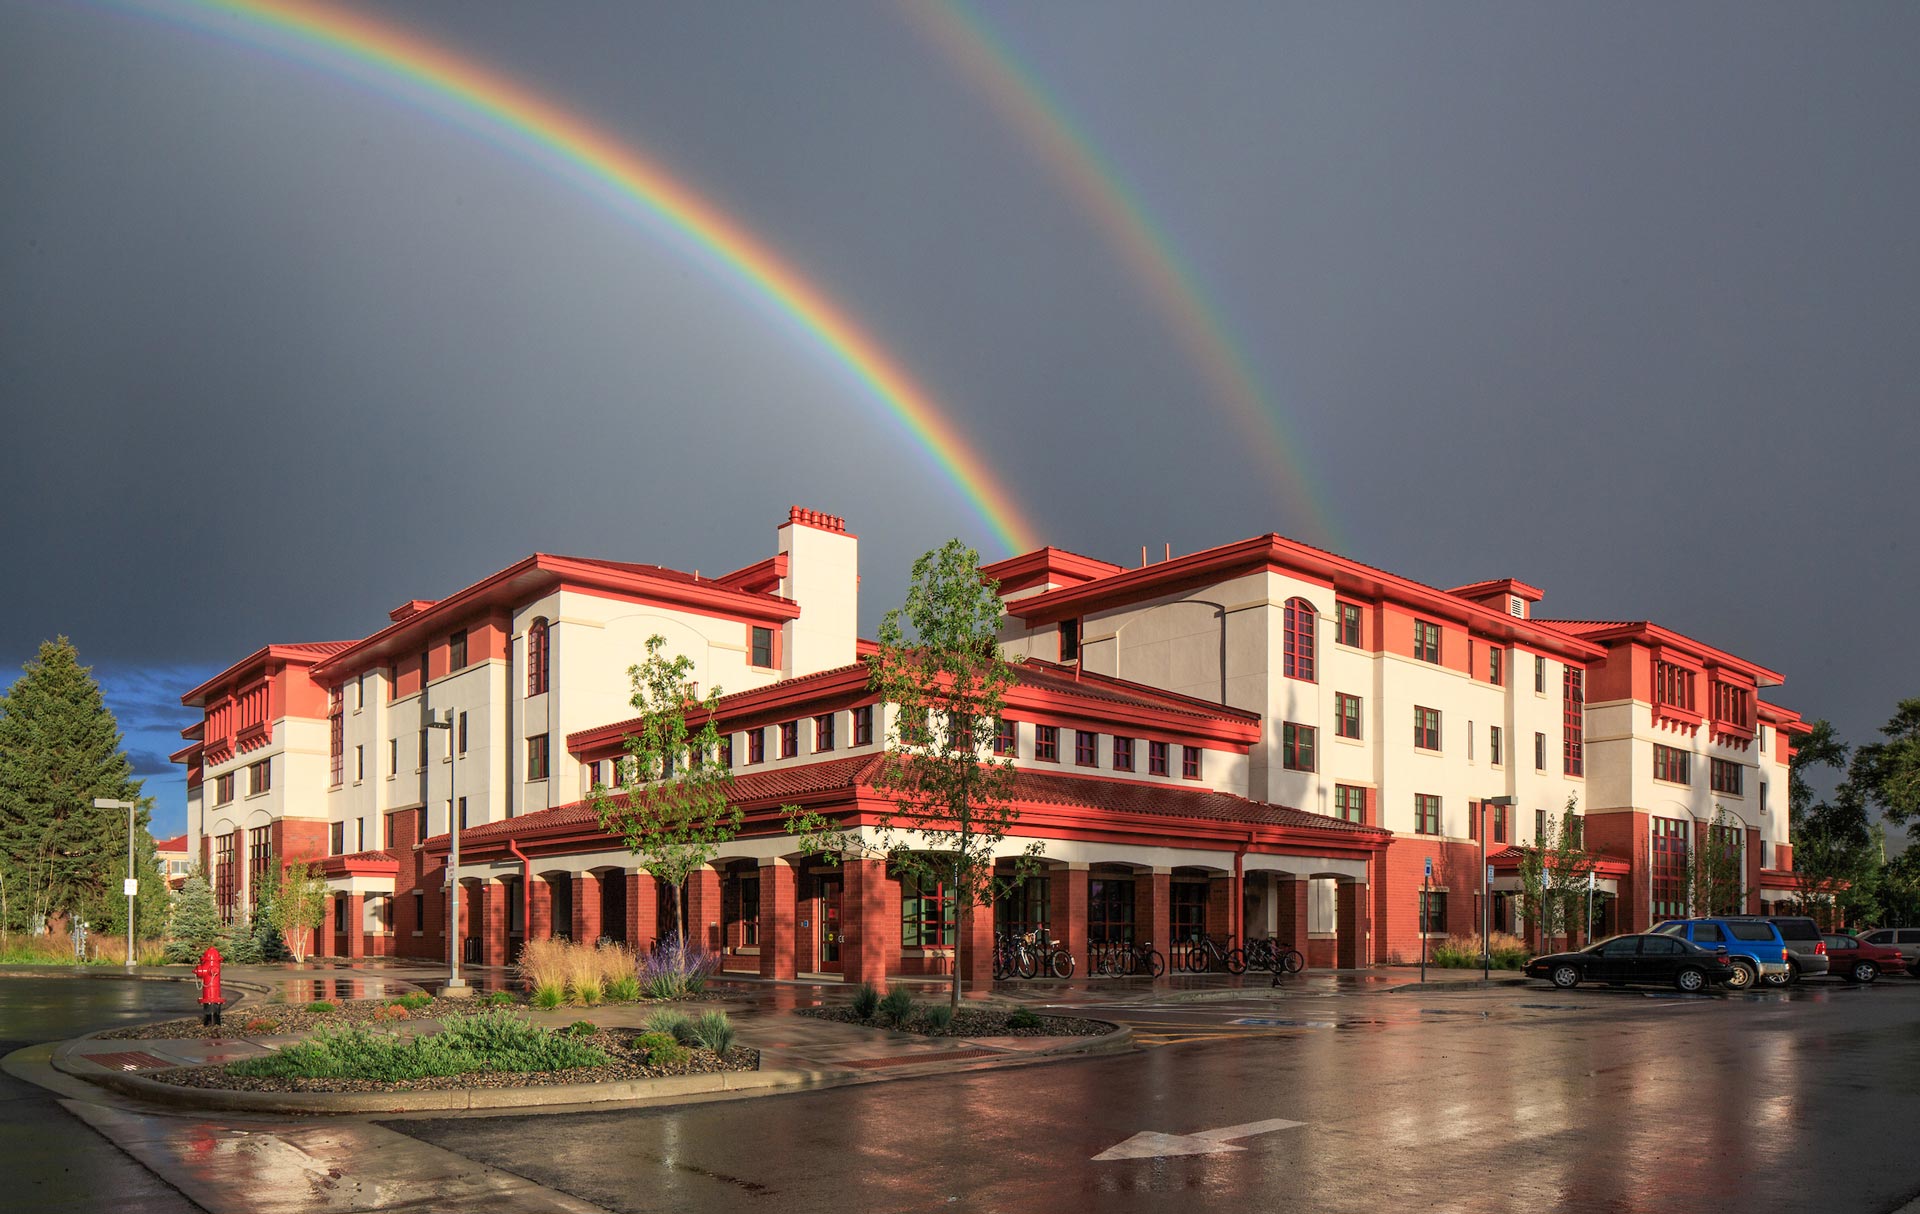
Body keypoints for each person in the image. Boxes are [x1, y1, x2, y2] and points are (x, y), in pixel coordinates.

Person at [193, 945, 224, 1028]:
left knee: (211, 1001)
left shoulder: (211, 968)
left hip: (211, 994)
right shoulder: (214, 967)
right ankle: (216, 1021)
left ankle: (208, 1021)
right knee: (213, 1002)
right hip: (213, 995)